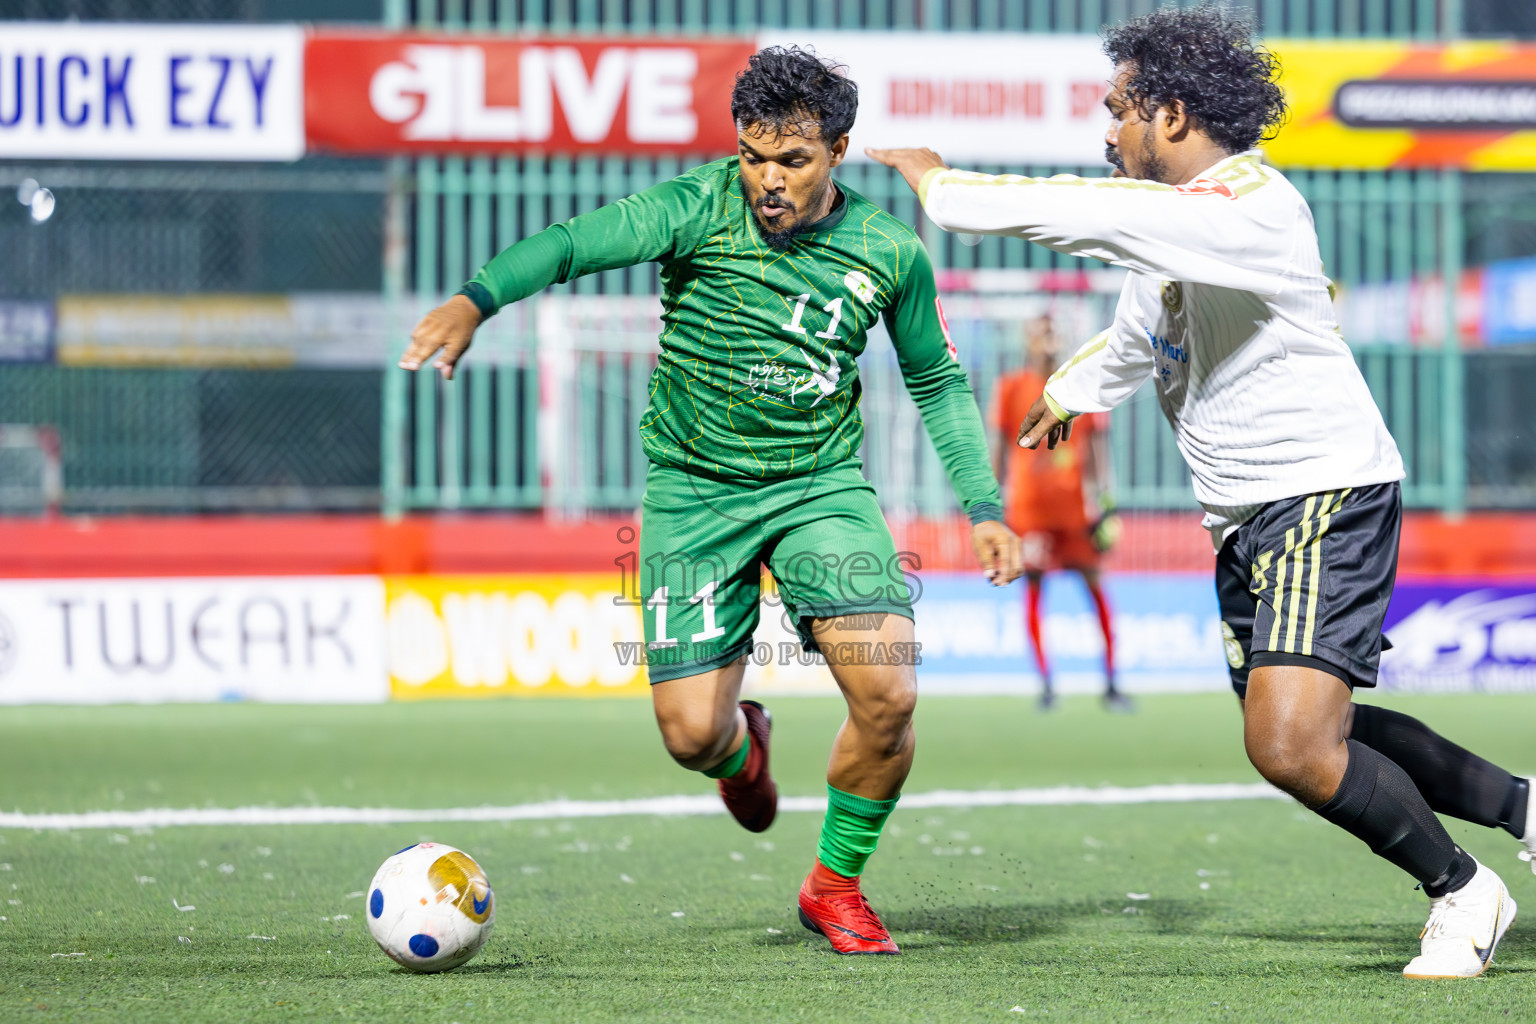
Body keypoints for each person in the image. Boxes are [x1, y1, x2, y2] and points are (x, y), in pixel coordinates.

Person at [870, 4, 1533, 980]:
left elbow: (1097, 217)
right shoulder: (1178, 235)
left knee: (1290, 743)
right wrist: (1067, 389)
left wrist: (943, 185)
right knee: (1315, 728)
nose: (1106, 129)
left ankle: (1462, 889)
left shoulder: (1251, 206)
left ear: (1171, 115)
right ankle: (1523, 806)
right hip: (1245, 521)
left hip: (1321, 492)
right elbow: (1142, 338)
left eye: (1118, 108)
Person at [401, 46, 1022, 956]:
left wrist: (984, 507)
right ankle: (745, 750)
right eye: (753, 156)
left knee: (888, 694)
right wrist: (476, 299)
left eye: (793, 161)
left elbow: (933, 377)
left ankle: (833, 886)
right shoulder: (692, 206)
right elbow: (570, 244)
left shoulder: (888, 250)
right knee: (692, 736)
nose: (768, 180)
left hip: (819, 489)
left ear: (839, 150)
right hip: (694, 496)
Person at [992, 315, 1127, 712]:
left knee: (1096, 587)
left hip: (1075, 515)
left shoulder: (1079, 382)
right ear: (1026, 338)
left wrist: (1106, 503)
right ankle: (1047, 684)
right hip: (1030, 515)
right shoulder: (1010, 388)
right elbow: (999, 449)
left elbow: (1100, 448)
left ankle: (1111, 681)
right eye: (1041, 329)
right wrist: (993, 506)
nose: (1049, 336)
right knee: (1034, 590)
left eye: (1054, 329)